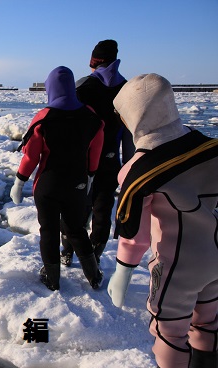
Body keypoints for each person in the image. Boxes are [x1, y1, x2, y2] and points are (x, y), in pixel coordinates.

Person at [107, 73, 218, 368]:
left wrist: (122, 272)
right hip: (215, 255)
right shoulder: (208, 147)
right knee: (209, 322)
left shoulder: (139, 168)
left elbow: (136, 236)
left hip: (176, 267)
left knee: (170, 332)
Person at [10, 66, 105, 291]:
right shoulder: (91, 117)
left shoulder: (44, 117)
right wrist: (90, 176)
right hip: (78, 184)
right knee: (76, 228)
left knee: (49, 230)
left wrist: (19, 181)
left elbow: (31, 156)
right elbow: (96, 152)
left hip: (48, 184)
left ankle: (52, 278)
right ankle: (93, 275)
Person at [60, 39, 135, 267]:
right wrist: (129, 165)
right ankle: (94, 256)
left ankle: (67, 251)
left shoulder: (83, 87)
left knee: (76, 209)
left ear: (94, 62)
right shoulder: (128, 89)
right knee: (103, 210)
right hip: (112, 161)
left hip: (82, 162)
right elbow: (130, 132)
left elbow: (69, 128)